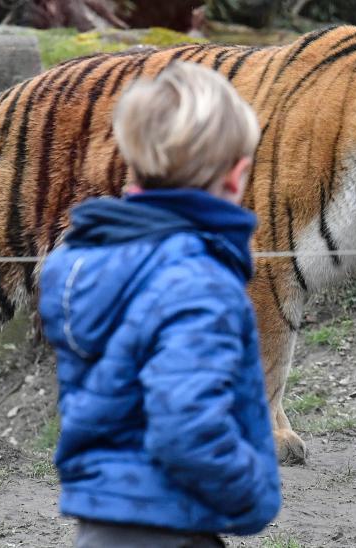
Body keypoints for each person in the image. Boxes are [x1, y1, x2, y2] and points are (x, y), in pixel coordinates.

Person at [38, 61, 281, 548]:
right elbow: (186, 426)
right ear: (237, 177)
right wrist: (252, 496)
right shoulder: (196, 280)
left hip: (100, 520)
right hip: (172, 526)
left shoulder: (79, 262)